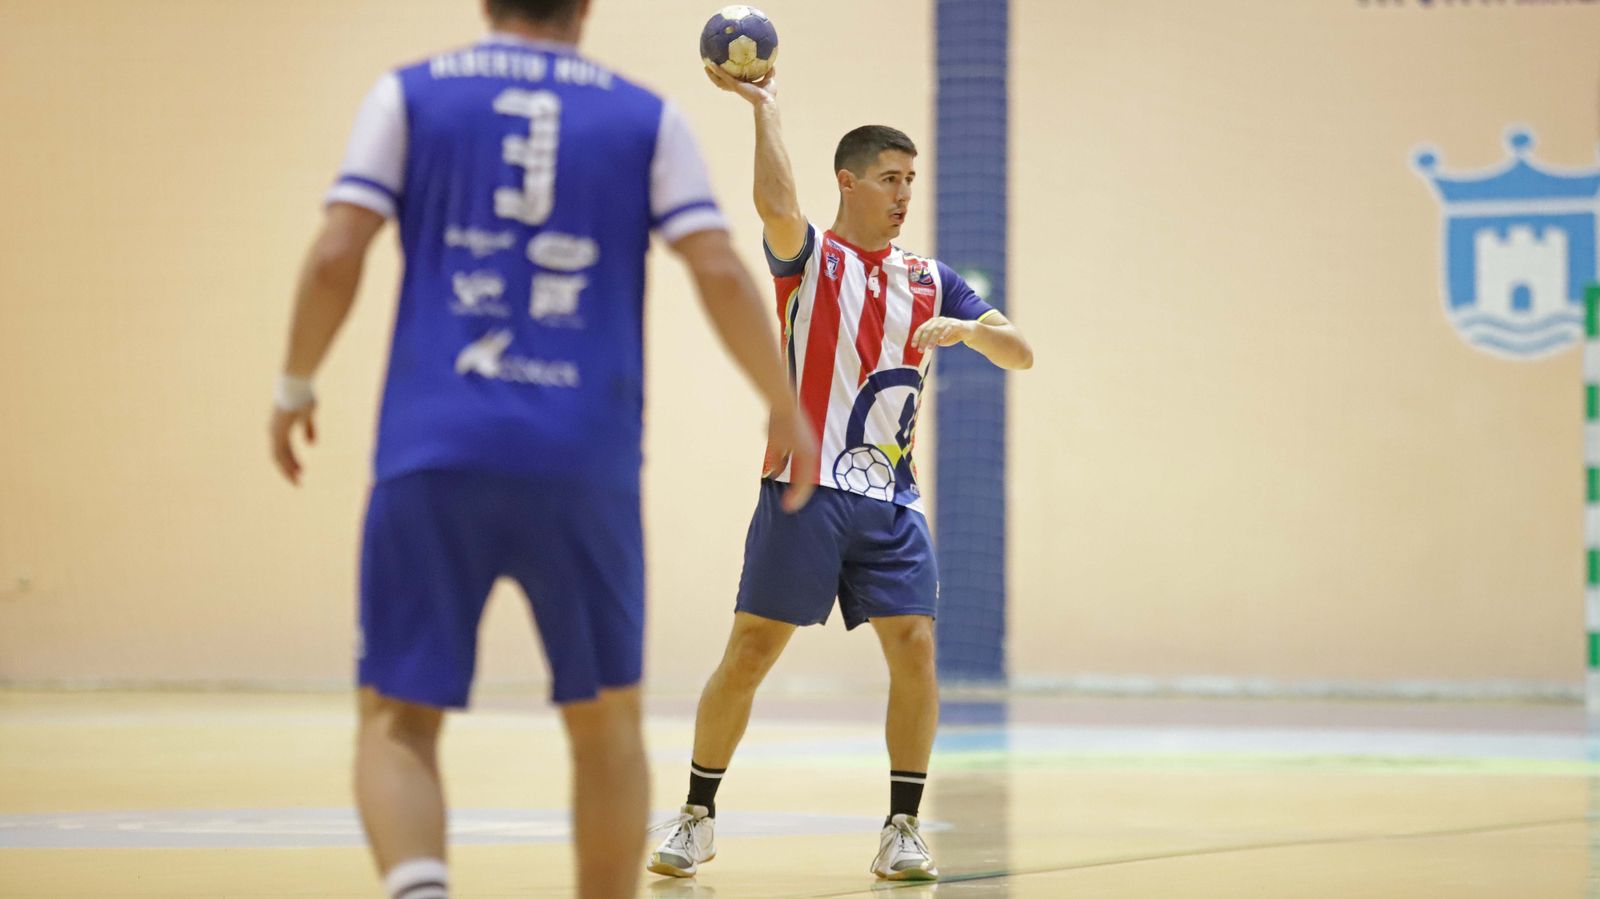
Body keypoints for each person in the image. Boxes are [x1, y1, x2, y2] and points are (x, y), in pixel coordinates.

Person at [266, 2, 815, 897]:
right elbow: (717, 265)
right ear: (586, 7)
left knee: (398, 720)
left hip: (431, 450)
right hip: (583, 459)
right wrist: (780, 401)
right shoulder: (647, 117)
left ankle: (420, 884)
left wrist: (295, 383)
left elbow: (337, 252)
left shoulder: (409, 96)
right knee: (605, 721)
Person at [647, 65, 1033, 883]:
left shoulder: (933, 281)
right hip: (804, 487)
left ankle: (902, 825)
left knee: (917, 650)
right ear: (848, 182)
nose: (903, 195)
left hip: (892, 502)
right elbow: (774, 203)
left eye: (911, 181)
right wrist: (765, 109)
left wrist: (970, 334)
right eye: (890, 179)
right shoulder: (810, 258)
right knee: (750, 649)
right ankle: (696, 812)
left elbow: (1022, 352)